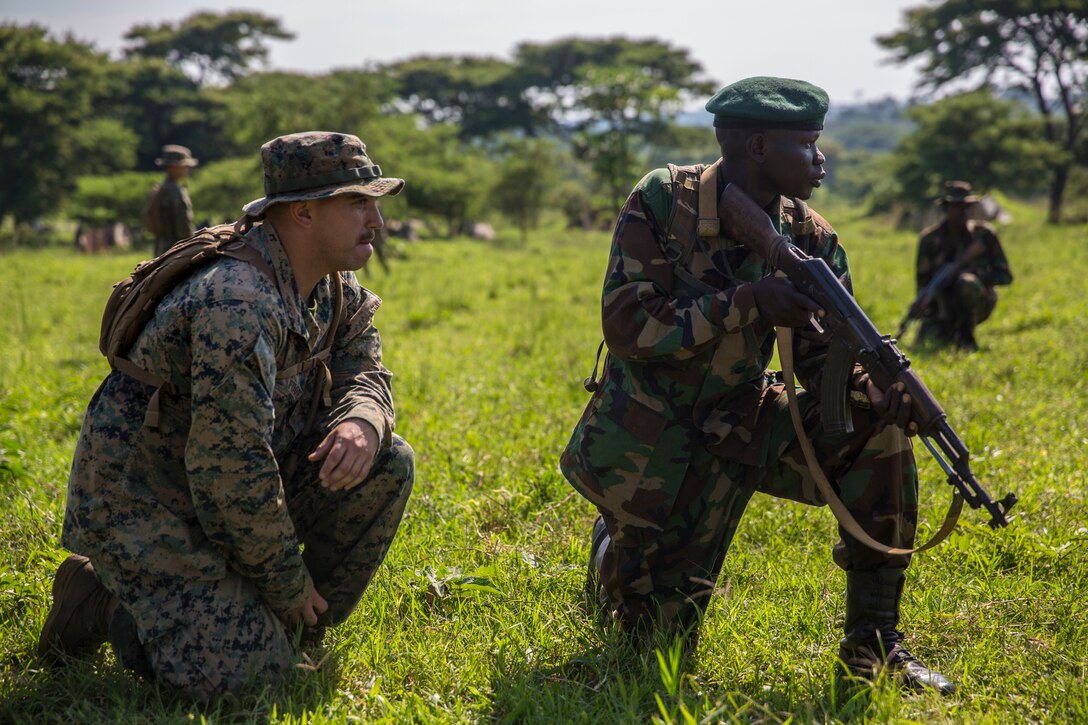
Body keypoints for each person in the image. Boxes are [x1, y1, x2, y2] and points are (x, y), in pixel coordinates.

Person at [561, 77, 956, 695]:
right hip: (652, 440)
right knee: (652, 644)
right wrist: (748, 301)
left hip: (741, 421)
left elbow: (828, 364)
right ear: (757, 146)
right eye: (808, 144)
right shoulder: (666, 202)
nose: (821, 159)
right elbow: (628, 327)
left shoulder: (814, 240)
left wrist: (871, 392)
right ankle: (615, 543)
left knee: (879, 434)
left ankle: (873, 645)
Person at [38, 131, 415, 702]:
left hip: (229, 488)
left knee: (386, 459)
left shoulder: (335, 286)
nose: (377, 221)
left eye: (375, 202)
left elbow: (365, 366)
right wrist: (287, 583)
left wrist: (362, 420)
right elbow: (229, 473)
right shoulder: (236, 301)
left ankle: (285, 630)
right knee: (246, 684)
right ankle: (104, 597)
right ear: (304, 213)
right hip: (150, 501)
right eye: (359, 203)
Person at [915, 181, 1013, 350]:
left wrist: (975, 275)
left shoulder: (984, 235)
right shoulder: (929, 239)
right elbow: (923, 283)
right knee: (926, 341)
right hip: (941, 305)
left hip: (978, 300)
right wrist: (924, 303)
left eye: (967, 206)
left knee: (966, 283)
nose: (963, 211)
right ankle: (950, 330)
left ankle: (968, 339)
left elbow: (1005, 276)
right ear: (946, 208)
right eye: (957, 206)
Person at [150, 144, 198, 256]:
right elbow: (184, 228)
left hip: (160, 249)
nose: (187, 169)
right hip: (176, 251)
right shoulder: (176, 192)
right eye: (185, 166)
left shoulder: (161, 188)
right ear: (174, 167)